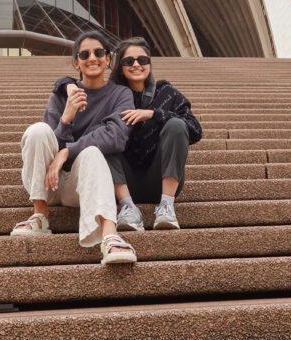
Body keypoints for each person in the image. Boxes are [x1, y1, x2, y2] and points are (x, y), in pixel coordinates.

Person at [11, 31, 139, 264]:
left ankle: (110, 236)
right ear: (76, 62)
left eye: (99, 53)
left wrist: (67, 151)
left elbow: (117, 137)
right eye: (85, 54)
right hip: (47, 182)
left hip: (80, 185)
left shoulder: (121, 94)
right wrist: (66, 119)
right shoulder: (62, 94)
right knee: (38, 130)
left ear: (108, 58)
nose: (92, 58)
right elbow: (49, 141)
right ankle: (39, 214)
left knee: (92, 151)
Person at [59, 36, 202, 231]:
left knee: (176, 125)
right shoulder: (113, 96)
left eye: (142, 60)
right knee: (105, 135)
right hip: (123, 182)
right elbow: (74, 82)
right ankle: (128, 207)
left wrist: (154, 114)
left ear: (149, 64)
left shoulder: (165, 91)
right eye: (128, 61)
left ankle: (167, 206)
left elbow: (195, 129)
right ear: (120, 67)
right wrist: (66, 84)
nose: (136, 65)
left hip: (160, 180)